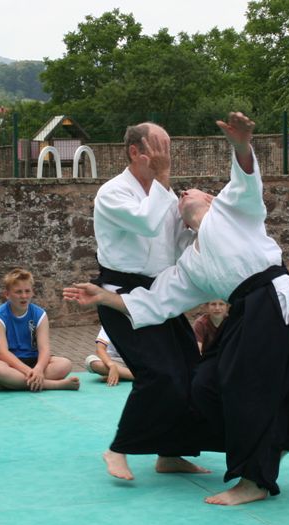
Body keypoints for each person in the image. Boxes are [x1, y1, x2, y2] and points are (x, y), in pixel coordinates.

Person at [66, 112, 289, 506]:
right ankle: (286, 434)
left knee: (249, 387)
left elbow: (246, 178)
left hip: (274, 297)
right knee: (206, 383)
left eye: (193, 192)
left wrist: (242, 143)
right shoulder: (190, 262)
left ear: (211, 199)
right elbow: (158, 300)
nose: (185, 193)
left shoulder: (234, 208)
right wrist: (105, 297)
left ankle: (255, 480)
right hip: (245, 311)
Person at [91, 120, 212, 481]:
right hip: (121, 296)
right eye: (158, 149)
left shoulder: (165, 194)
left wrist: (198, 227)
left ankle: (171, 453)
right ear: (134, 152)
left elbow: (176, 246)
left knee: (191, 370)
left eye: (167, 150)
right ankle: (118, 448)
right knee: (158, 374)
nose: (165, 158)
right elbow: (145, 224)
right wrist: (164, 180)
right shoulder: (113, 193)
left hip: (160, 294)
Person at [0, 268, 79, 392]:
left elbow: (44, 349)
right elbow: (2, 353)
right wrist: (29, 372)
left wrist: (38, 369)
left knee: (65, 364)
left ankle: (6, 384)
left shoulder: (40, 314)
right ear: (7, 294)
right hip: (9, 364)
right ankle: (53, 385)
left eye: (27, 291)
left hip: (34, 361)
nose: (24, 296)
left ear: (32, 292)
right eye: (18, 292)